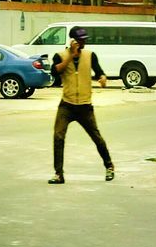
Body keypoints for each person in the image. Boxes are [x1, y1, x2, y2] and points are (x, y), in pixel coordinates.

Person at [48, 26, 115, 184]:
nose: (83, 42)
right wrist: (70, 56)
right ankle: (59, 174)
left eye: (84, 39)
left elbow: (99, 71)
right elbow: (55, 72)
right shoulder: (60, 56)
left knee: (96, 137)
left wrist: (103, 78)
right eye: (80, 40)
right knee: (58, 136)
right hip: (67, 105)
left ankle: (109, 166)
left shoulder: (90, 55)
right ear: (72, 41)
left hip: (85, 105)